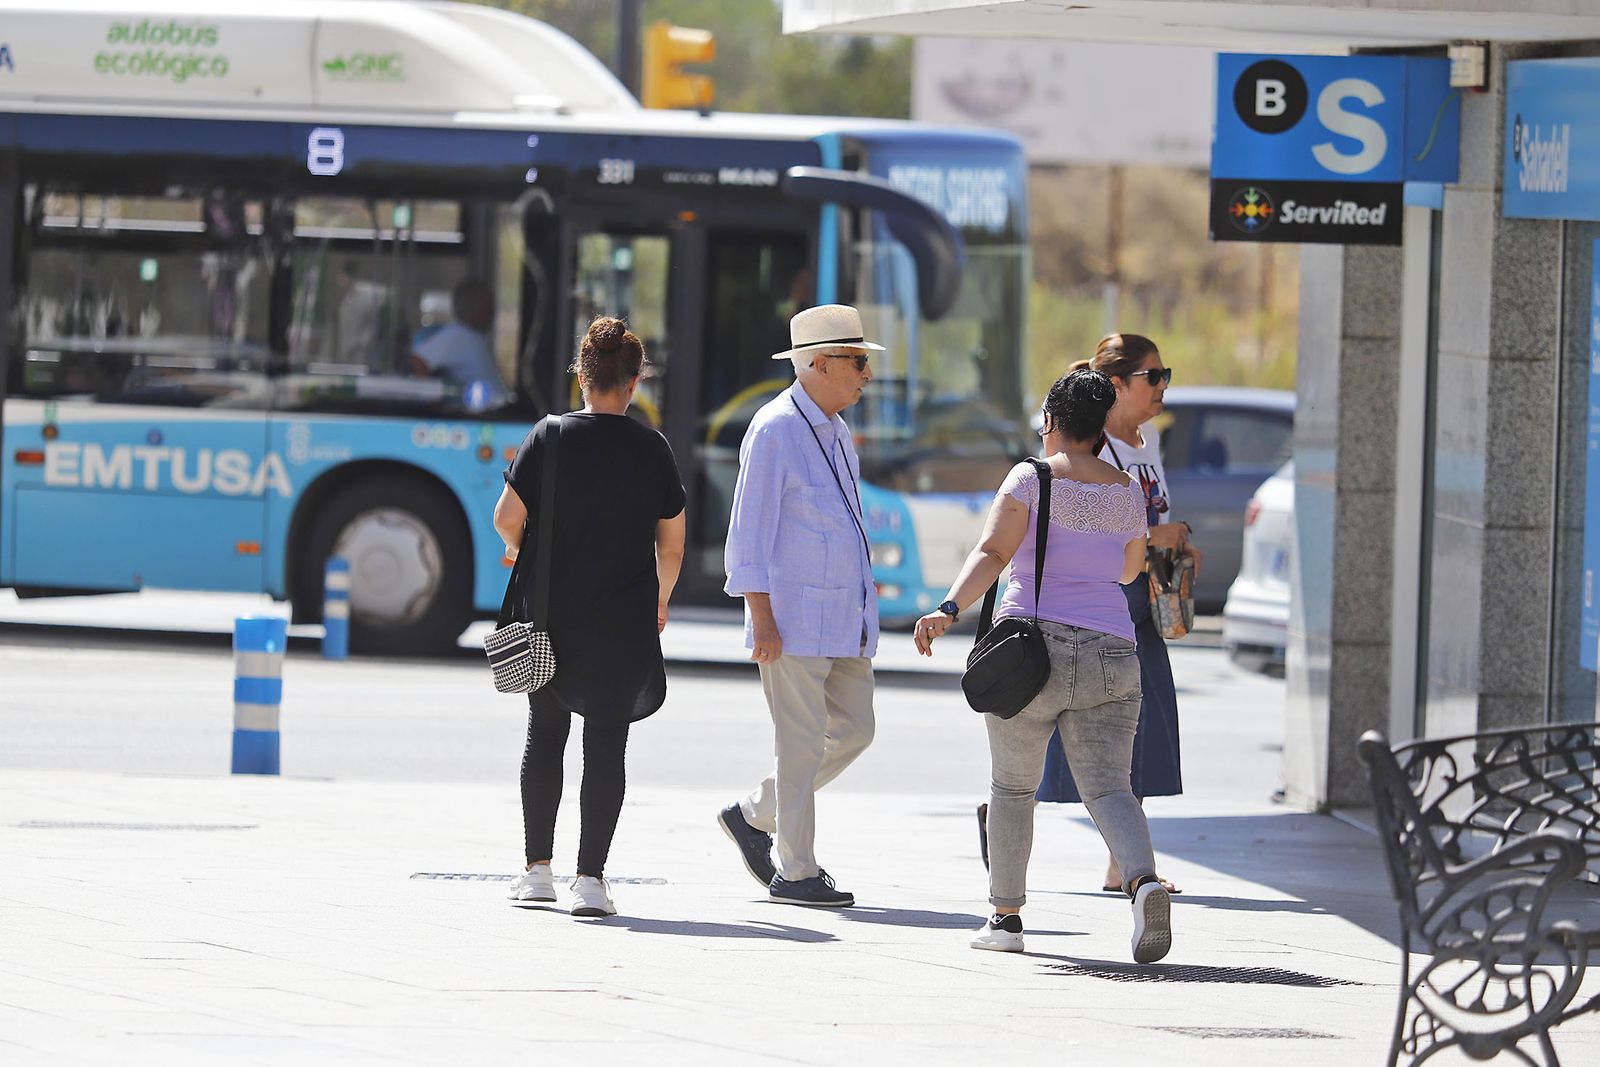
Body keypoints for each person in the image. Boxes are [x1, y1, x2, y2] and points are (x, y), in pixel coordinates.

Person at [916, 368, 1173, 963]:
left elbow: (992, 551)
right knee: (1111, 787)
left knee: (1012, 788)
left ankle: (1006, 920)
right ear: (1103, 426)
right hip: (1113, 650)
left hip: (1034, 651)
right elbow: (1130, 571)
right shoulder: (1125, 491)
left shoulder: (1029, 480)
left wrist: (948, 608)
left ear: (1052, 423)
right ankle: (1143, 882)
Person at [495, 317, 686, 918]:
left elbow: (506, 517)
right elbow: (672, 544)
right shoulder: (652, 449)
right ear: (633, 384)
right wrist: (661, 597)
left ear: (581, 378)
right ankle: (592, 881)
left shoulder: (548, 436)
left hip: (550, 618)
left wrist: (523, 545)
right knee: (607, 744)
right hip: (622, 624)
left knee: (544, 735)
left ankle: (536, 872)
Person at [716, 304, 882, 909]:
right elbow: (748, 534)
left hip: (843, 620)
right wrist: (760, 616)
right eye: (858, 362)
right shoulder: (775, 429)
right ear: (818, 363)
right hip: (791, 619)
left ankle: (755, 812)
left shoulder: (835, 430)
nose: (866, 374)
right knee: (801, 742)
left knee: (856, 731)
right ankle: (797, 869)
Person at [1032, 333, 1196, 894]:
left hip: (1142, 603)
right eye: (1153, 376)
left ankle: (1120, 864)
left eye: (1165, 374)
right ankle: (1006, 805)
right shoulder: (1096, 448)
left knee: (1142, 729)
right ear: (1117, 385)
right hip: (1105, 601)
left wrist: (1176, 542)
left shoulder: (1146, 440)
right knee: (1065, 723)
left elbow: (1148, 516)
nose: (1163, 387)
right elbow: (1087, 525)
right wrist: (1157, 534)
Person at [410, 278, 511, 408]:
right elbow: (418, 360)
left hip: (499, 418)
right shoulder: (458, 335)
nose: (492, 313)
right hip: (479, 420)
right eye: (488, 306)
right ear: (477, 306)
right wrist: (433, 407)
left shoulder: (475, 335)